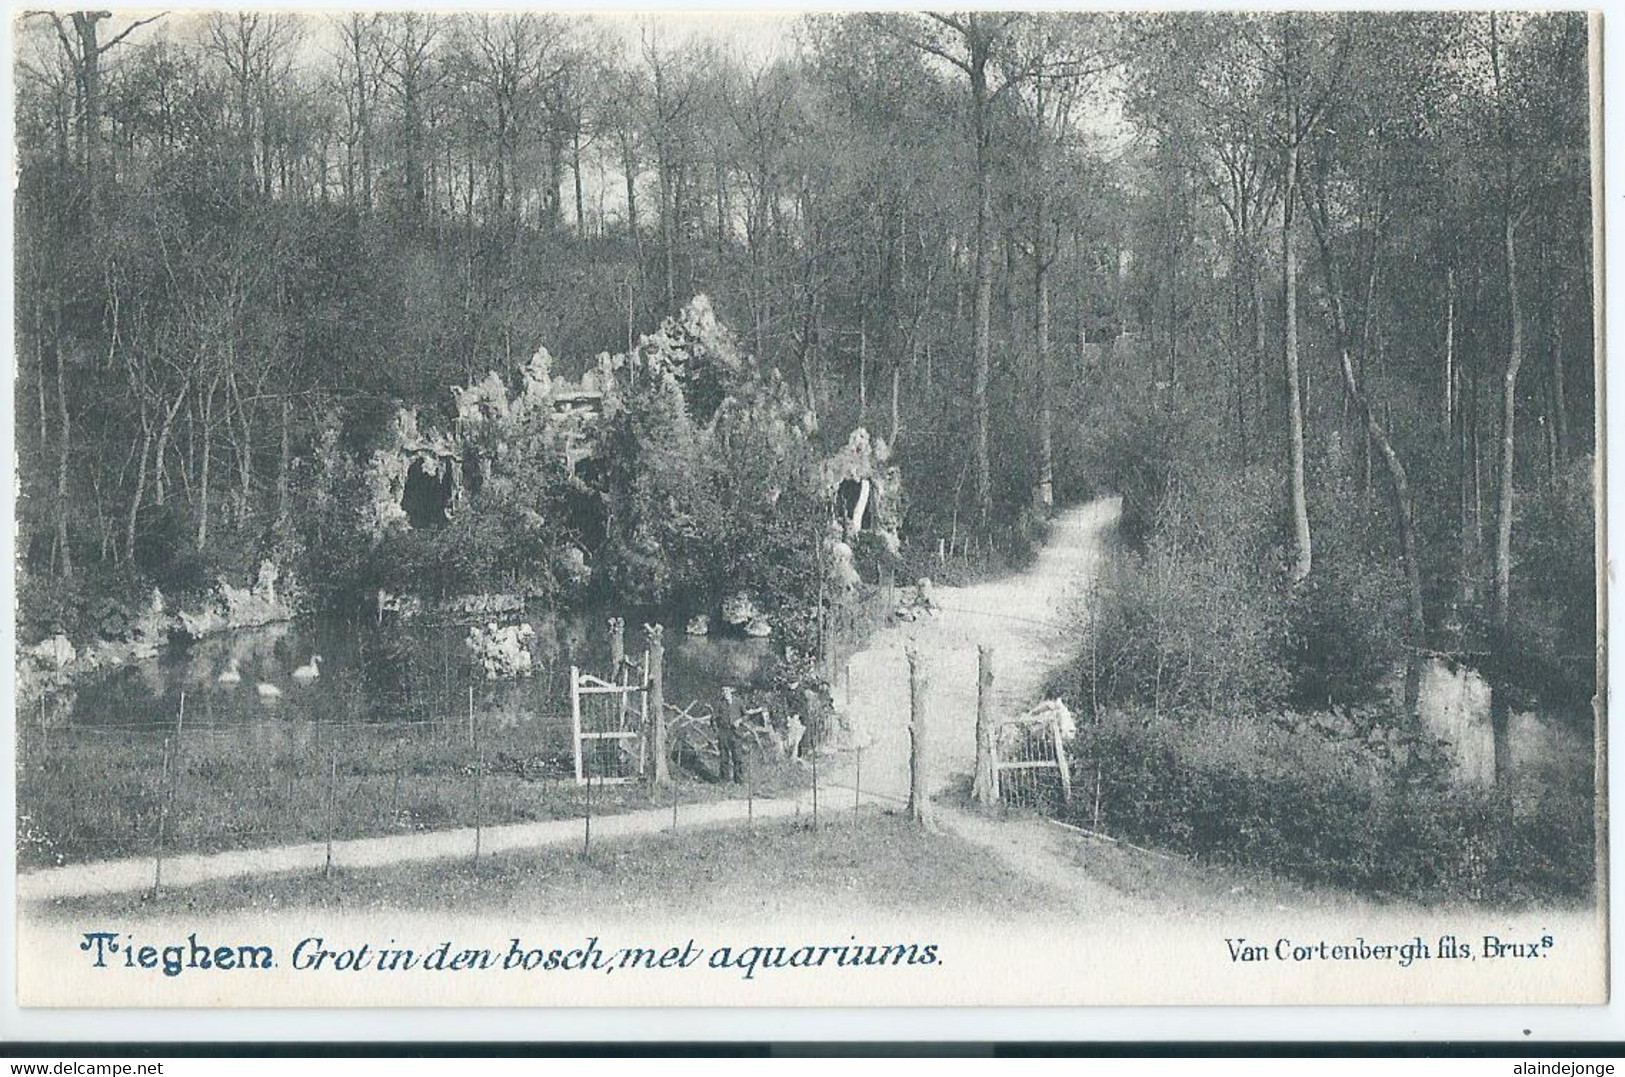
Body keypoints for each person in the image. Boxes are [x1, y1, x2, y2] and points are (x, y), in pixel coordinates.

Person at [714, 686, 748, 784]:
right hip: (724, 733)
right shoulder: (719, 703)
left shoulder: (738, 702)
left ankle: (739, 780)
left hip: (735, 733)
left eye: (727, 690)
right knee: (724, 757)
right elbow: (713, 719)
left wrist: (739, 721)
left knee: (737, 757)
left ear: (731, 691)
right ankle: (724, 780)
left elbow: (746, 715)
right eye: (723, 690)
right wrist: (717, 732)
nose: (725, 692)